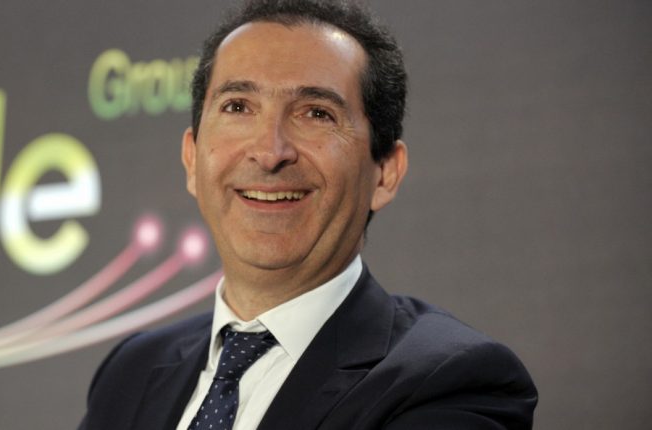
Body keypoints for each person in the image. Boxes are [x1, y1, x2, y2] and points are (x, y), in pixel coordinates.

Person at [78, 0, 538, 429]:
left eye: (316, 113)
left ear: (385, 172)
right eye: (238, 107)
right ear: (192, 160)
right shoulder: (130, 373)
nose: (269, 151)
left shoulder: (451, 381)